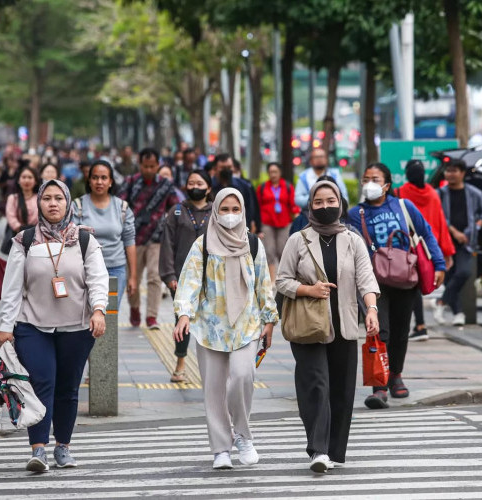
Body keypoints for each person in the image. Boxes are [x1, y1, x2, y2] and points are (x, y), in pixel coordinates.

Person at [0, 179, 109, 471]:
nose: (53, 203)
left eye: (59, 198)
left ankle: (63, 447)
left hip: (77, 327)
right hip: (32, 325)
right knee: (40, 383)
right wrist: (5, 326)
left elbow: (98, 279)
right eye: (47, 198)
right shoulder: (25, 240)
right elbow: (11, 289)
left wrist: (99, 310)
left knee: (68, 388)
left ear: (68, 202)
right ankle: (39, 450)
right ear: (39, 203)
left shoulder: (85, 239)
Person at [277, 180, 379, 473]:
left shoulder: (353, 239)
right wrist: (309, 290)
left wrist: (371, 309)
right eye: (318, 202)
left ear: (340, 203)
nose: (325, 207)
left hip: (345, 325)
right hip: (309, 327)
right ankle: (318, 450)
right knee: (317, 386)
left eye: (330, 201)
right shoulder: (298, 239)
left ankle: (334, 451)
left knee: (342, 390)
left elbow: (366, 279)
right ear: (310, 205)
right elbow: (282, 281)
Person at [173, 188, 277, 470]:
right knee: (214, 389)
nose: (230, 215)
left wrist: (270, 320)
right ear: (215, 211)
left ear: (243, 212)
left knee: (243, 376)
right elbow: (189, 283)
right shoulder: (203, 244)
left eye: (235, 210)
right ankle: (221, 448)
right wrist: (184, 314)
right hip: (210, 327)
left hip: (247, 325)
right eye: (224, 209)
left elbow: (263, 285)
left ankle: (243, 435)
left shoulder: (253, 244)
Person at [348, 163, 446, 410]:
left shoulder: (403, 206)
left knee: (401, 332)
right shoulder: (354, 214)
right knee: (380, 332)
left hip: (405, 277)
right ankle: (378, 385)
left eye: (376, 178)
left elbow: (426, 234)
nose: (370, 183)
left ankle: (396, 376)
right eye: (366, 178)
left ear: (387, 185)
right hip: (373, 282)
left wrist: (439, 263)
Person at [160, 170, 212, 383]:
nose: (194, 186)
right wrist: (169, 275)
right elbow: (167, 245)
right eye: (191, 182)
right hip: (181, 279)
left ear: (208, 187)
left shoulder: (216, 212)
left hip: (211, 279)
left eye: (199, 183)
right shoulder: (177, 211)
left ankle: (211, 367)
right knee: (182, 320)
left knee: (210, 320)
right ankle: (180, 363)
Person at [395, 160, 456, 341]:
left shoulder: (400, 193)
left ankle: (419, 325)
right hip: (429, 248)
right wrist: (446, 252)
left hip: (407, 248)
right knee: (420, 286)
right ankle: (419, 325)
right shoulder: (433, 194)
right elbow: (440, 223)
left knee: (412, 288)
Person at [118, 147, 179, 329]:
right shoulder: (130, 183)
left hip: (157, 238)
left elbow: (175, 208)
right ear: (140, 164)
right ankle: (135, 309)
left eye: (153, 166)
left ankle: (152, 316)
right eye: (146, 166)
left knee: (154, 277)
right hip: (133, 238)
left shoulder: (166, 186)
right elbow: (120, 205)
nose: (149, 170)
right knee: (133, 277)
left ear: (158, 165)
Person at [435, 158, 482, 326]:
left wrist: (476, 226)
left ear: (462, 173)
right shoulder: (440, 194)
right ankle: (458, 313)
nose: (450, 174)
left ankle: (441, 302)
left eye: (454, 171)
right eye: (448, 171)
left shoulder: (474, 193)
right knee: (448, 277)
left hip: (467, 242)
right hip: (444, 242)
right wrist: (454, 231)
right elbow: (437, 216)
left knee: (464, 272)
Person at [72, 159, 137, 309]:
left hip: (115, 270)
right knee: (88, 315)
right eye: (95, 178)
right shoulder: (77, 206)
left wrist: (133, 276)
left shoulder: (122, 207)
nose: (99, 182)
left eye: (103, 178)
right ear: (89, 181)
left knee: (110, 318)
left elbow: (129, 241)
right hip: (85, 269)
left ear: (111, 181)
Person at [256, 161, 300, 279]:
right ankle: (271, 280)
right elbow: (257, 206)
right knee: (269, 251)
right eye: (270, 172)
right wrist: (256, 224)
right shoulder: (262, 188)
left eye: (275, 172)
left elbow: (293, 205)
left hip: (284, 223)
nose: (273, 174)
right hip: (267, 223)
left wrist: (297, 219)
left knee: (283, 250)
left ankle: (284, 277)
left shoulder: (287, 186)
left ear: (280, 172)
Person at [210, 153, 261, 234]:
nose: (227, 170)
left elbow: (251, 208)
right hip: (215, 230)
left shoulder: (244, 186)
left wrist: (252, 227)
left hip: (240, 230)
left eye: (229, 167)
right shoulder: (209, 186)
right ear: (215, 168)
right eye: (223, 168)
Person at [4, 165, 40, 245]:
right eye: (23, 177)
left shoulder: (40, 198)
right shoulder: (13, 198)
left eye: (30, 177)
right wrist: (21, 229)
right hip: (18, 237)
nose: (26, 180)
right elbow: (11, 217)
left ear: (36, 181)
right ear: (18, 180)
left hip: (38, 238)